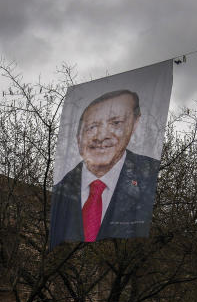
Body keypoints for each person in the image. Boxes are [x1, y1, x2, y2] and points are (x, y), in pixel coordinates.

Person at [49, 89, 160, 247]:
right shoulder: (60, 192)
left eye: (115, 123)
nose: (101, 136)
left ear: (135, 124)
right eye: (92, 127)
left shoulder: (152, 175)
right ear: (78, 138)